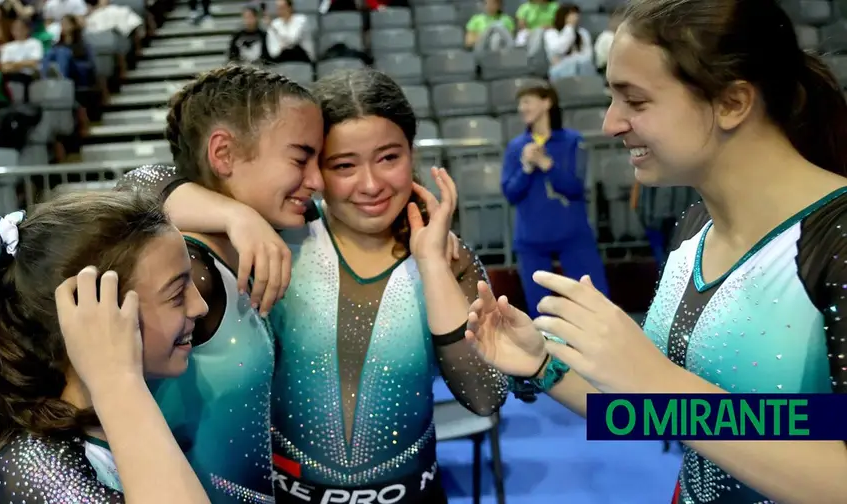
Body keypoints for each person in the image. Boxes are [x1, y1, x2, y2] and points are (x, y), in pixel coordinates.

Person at [465, 0, 847, 502]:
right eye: (611, 99)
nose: (610, 123)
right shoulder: (695, 226)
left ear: (733, 102)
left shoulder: (836, 240)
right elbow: (676, 417)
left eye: (635, 102)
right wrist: (543, 367)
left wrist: (659, 381)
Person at [120, 68, 508, 503]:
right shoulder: (282, 238)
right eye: (342, 165)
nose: (371, 184)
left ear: (411, 153)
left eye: (389, 157)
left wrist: (433, 265)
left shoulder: (448, 258)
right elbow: (140, 183)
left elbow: (485, 396)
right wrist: (238, 215)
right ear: (320, 168)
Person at [116, 64, 325, 503]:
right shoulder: (188, 272)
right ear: (223, 154)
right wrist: (237, 214)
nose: (317, 181)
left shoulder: (271, 239)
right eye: (300, 158)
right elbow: (134, 184)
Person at [0, 191, 212, 503]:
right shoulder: (31, 466)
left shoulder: (125, 413)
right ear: (93, 313)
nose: (201, 307)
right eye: (177, 293)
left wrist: (236, 217)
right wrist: (117, 379)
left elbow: (149, 177)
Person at [502, 81, 609, 317]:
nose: (522, 107)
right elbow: (510, 193)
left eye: (527, 101)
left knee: (596, 303)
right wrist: (526, 168)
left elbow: (574, 187)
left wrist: (546, 164)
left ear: (546, 102)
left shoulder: (571, 141)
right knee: (541, 313)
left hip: (572, 234)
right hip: (531, 239)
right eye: (520, 103)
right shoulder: (516, 147)